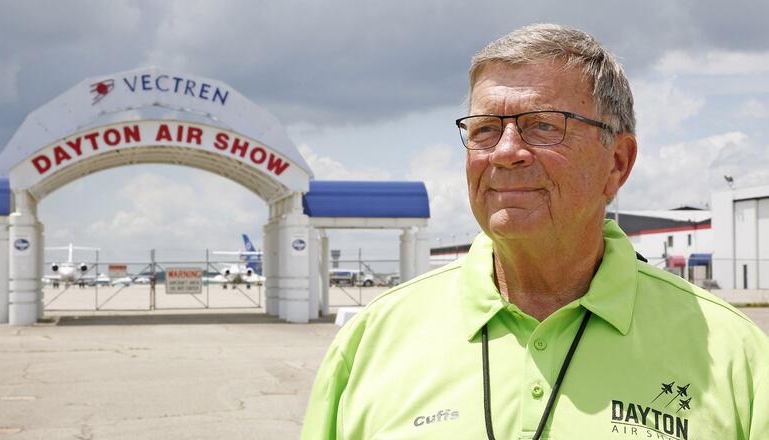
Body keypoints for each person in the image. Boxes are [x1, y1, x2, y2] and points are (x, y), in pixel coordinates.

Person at [300, 24, 769, 440]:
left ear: (617, 163)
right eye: (484, 129)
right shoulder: (371, 342)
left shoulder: (737, 356)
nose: (506, 152)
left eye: (543, 126)